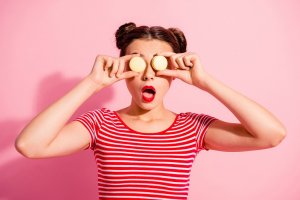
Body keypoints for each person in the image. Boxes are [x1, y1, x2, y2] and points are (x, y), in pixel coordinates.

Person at [15, 22, 287, 199]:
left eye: (158, 65)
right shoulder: (100, 123)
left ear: (174, 72)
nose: (147, 75)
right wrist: (91, 83)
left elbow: (271, 135)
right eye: (136, 63)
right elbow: (30, 145)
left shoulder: (192, 128)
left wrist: (205, 82)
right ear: (123, 69)